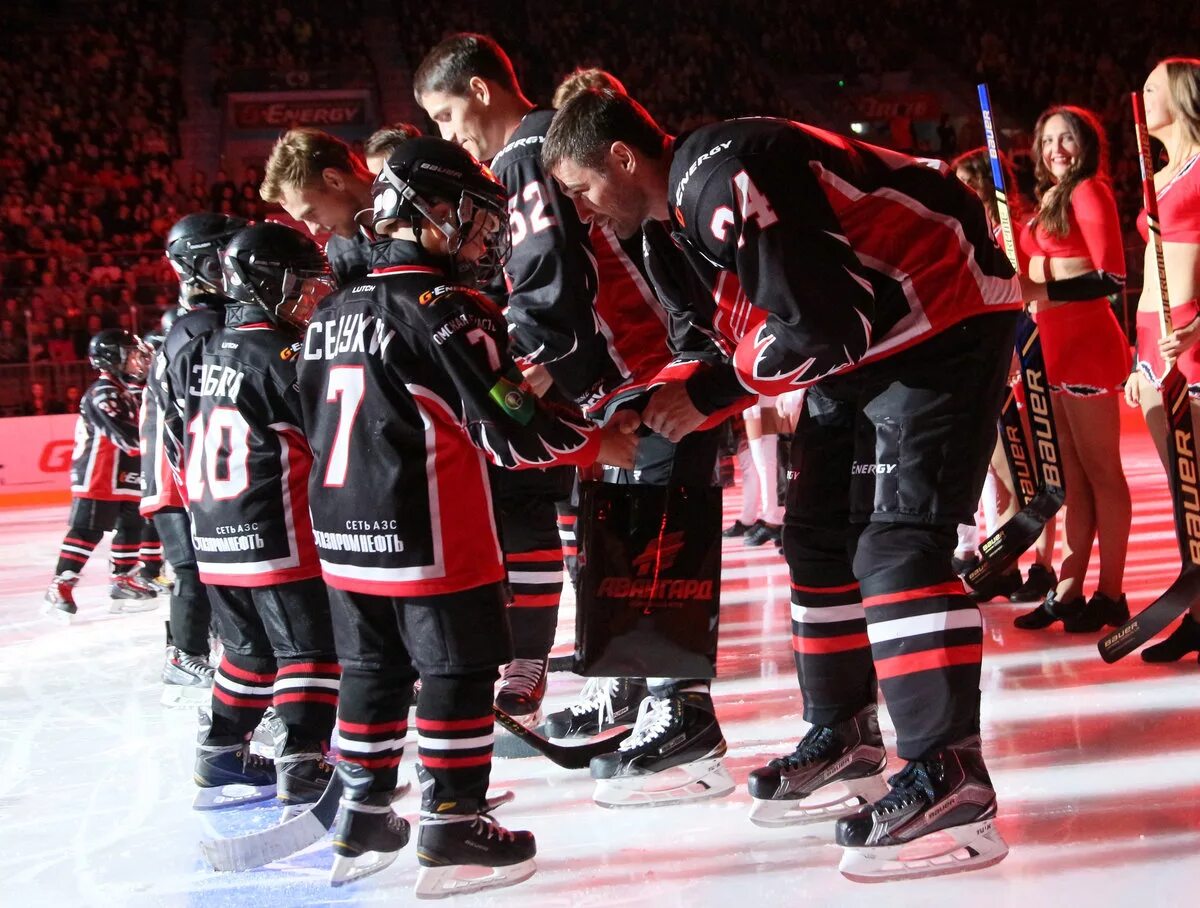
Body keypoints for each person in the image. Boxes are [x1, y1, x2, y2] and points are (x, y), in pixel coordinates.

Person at [543, 89, 1021, 881]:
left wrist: (708, 396)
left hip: (942, 315)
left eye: (584, 189)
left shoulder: (717, 172)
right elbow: (725, 347)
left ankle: (951, 776)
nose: (586, 214)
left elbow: (831, 322)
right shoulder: (667, 228)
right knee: (817, 541)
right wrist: (626, 405)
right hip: (876, 343)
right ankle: (845, 731)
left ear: (623, 158)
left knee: (898, 545)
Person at [296, 137, 634, 896]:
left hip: (344, 537)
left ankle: (363, 814)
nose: (486, 235)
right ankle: (452, 827)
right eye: (476, 218)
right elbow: (511, 431)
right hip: (428, 533)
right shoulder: (442, 306)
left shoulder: (330, 311)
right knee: (457, 669)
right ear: (432, 209)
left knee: (371, 671)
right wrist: (598, 437)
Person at [161, 223, 340, 814]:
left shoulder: (211, 346)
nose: (311, 296)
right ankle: (304, 762)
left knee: (248, 651)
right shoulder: (287, 356)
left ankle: (221, 749)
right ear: (265, 281)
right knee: (310, 651)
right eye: (301, 283)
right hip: (273, 527)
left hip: (214, 529)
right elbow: (332, 442)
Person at [1012, 105, 1131, 633]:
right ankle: (1069, 588)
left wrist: (1041, 281)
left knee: (1102, 474)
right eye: (1048, 140)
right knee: (1072, 481)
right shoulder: (1050, 201)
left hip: (1087, 348)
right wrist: (1045, 268)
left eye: (1067, 138)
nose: (1057, 149)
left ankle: (1111, 593)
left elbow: (1110, 277)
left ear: (1086, 144)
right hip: (1052, 351)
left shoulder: (1089, 190)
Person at [145, 213, 247, 706]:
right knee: (193, 569)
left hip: (194, 475)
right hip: (194, 478)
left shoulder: (194, 325)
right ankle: (187, 655)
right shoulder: (203, 329)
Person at [952, 148, 1057, 603]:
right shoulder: (975, 234)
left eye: (963, 184)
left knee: (1026, 464)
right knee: (999, 467)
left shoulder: (1009, 232)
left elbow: (1029, 295)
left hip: (1023, 356)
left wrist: (1015, 350)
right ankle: (1005, 561)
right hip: (988, 359)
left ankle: (1036, 564)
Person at [1125, 57, 1200, 662]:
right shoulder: (1164, 170)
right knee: (1184, 488)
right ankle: (1197, 612)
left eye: (1152, 88)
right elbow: (1149, 271)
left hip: (1192, 334)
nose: (1142, 97)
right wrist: (1135, 352)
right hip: (1153, 336)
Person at [43, 328, 159, 621]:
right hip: (99, 473)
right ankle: (61, 584)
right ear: (113, 359)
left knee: (132, 525)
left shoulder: (125, 390)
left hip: (126, 473)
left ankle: (122, 579)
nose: (139, 360)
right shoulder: (102, 392)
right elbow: (128, 438)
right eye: (132, 355)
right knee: (88, 530)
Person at [259, 128, 375, 285]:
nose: (313, 230)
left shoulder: (417, 199)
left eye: (311, 213)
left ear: (334, 180)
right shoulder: (340, 256)